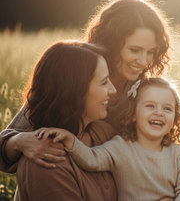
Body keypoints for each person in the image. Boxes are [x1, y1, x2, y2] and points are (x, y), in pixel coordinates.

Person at [0, 0, 180, 201]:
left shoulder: (141, 91)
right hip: (71, 184)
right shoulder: (72, 81)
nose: (144, 61)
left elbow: (165, 151)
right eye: (135, 50)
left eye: (151, 52)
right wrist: (18, 141)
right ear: (113, 43)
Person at [35, 77, 180, 200]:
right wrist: (70, 140)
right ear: (133, 114)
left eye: (167, 108)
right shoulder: (121, 147)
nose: (159, 112)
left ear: (176, 119)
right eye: (150, 106)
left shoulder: (179, 154)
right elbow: (93, 159)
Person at [14, 40, 118, 200]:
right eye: (104, 82)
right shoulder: (46, 163)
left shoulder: (102, 132)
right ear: (75, 90)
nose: (113, 90)